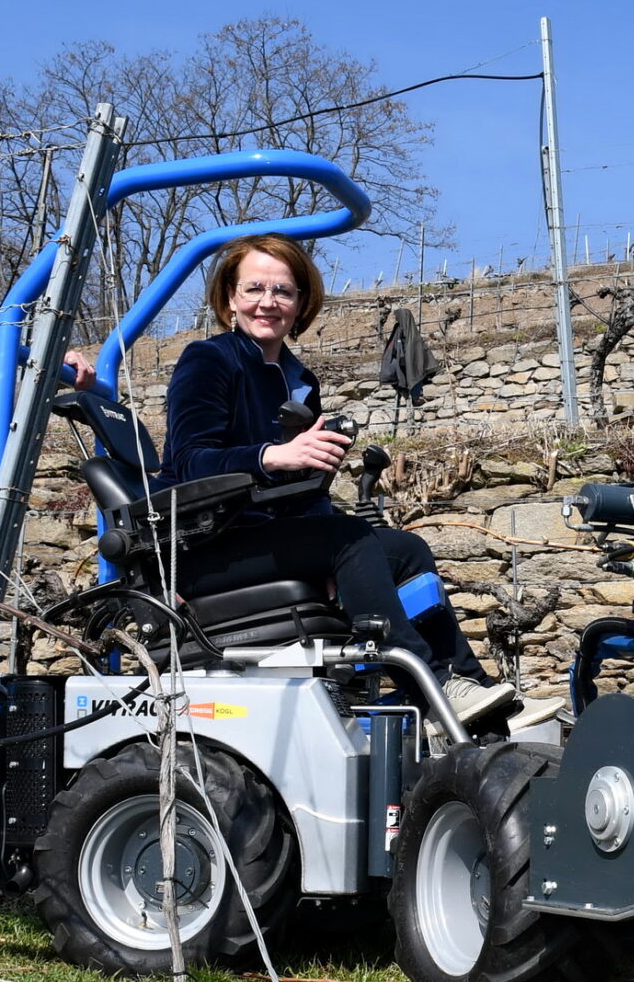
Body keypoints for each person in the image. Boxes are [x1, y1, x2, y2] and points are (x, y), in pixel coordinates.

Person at [157, 233, 515, 729]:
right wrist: (273, 456)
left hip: (269, 541)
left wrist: (323, 547)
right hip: (208, 544)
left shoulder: (300, 378)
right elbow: (191, 463)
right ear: (229, 298)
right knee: (348, 540)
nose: (268, 302)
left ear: (301, 302)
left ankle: (468, 691)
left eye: (283, 291)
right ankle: (431, 688)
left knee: (406, 549)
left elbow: (304, 490)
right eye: (254, 288)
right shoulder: (209, 360)